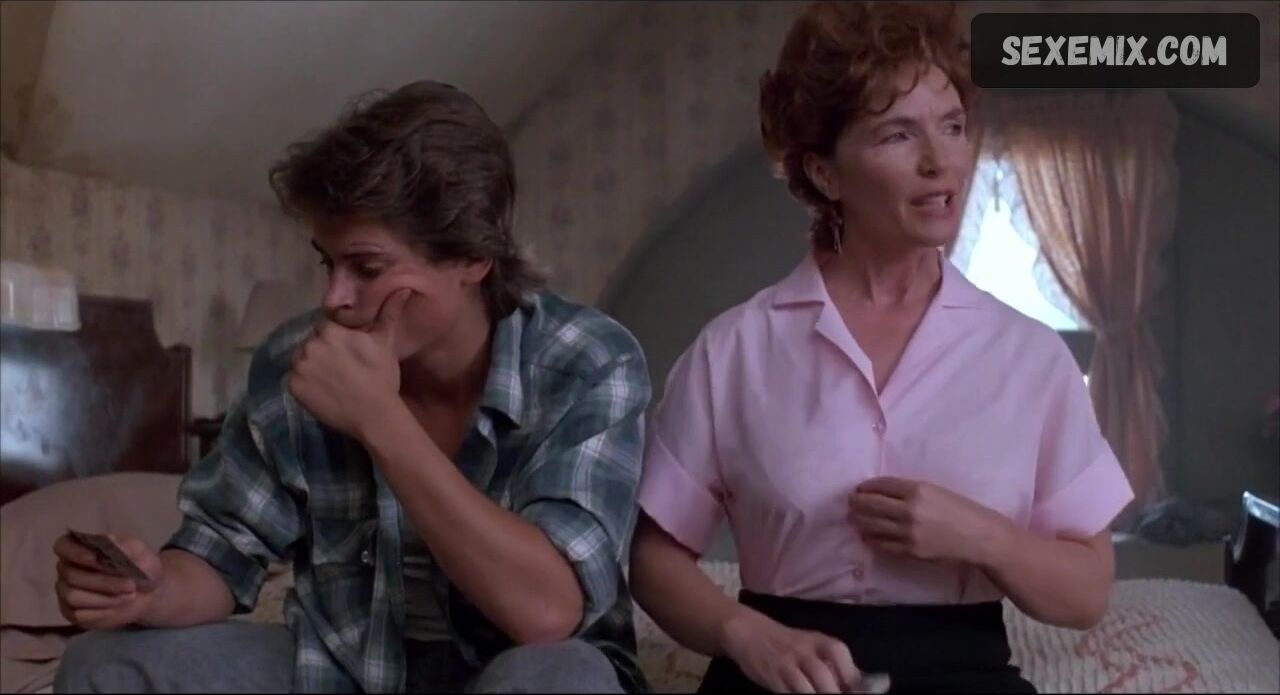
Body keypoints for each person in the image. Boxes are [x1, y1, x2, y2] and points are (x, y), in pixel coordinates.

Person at [52, 80, 652, 694]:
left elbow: (547, 613)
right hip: (344, 671)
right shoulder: (296, 359)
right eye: (327, 262)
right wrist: (149, 591)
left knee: (561, 678)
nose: (334, 297)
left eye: (367, 268)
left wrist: (380, 419)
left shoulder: (587, 360)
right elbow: (220, 553)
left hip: (521, 670)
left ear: (473, 258)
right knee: (103, 664)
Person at [628, 3, 1134, 693]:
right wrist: (743, 634)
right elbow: (655, 561)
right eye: (898, 134)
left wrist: (982, 536)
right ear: (825, 173)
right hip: (778, 678)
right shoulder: (733, 351)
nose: (940, 162)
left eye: (952, 126)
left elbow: (1087, 592)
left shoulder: (1032, 357)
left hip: (964, 678)